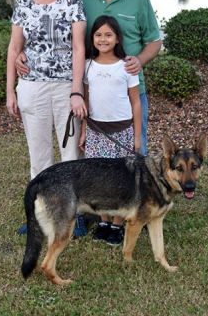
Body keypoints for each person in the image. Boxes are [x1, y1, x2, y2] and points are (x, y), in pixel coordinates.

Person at [15, 0, 162, 157]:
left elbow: (155, 41)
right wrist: (23, 52)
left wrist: (140, 60)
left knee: (134, 157)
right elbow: (50, 30)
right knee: (91, 158)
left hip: (130, 89)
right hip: (91, 90)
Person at [6, 0, 87, 234]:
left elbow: (79, 48)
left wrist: (76, 90)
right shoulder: (24, 2)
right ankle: (40, 216)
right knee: (39, 156)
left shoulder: (72, 1)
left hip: (65, 87)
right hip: (31, 87)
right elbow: (15, 47)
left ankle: (73, 217)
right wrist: (10, 91)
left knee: (69, 156)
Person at [79, 15, 141, 246]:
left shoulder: (127, 66)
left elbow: (135, 102)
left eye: (108, 35)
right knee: (98, 179)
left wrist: (136, 136)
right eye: (98, 35)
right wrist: (84, 130)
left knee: (120, 180)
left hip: (121, 131)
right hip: (96, 131)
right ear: (92, 38)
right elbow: (85, 99)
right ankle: (103, 221)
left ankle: (117, 224)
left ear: (117, 39)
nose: (103, 39)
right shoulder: (87, 65)